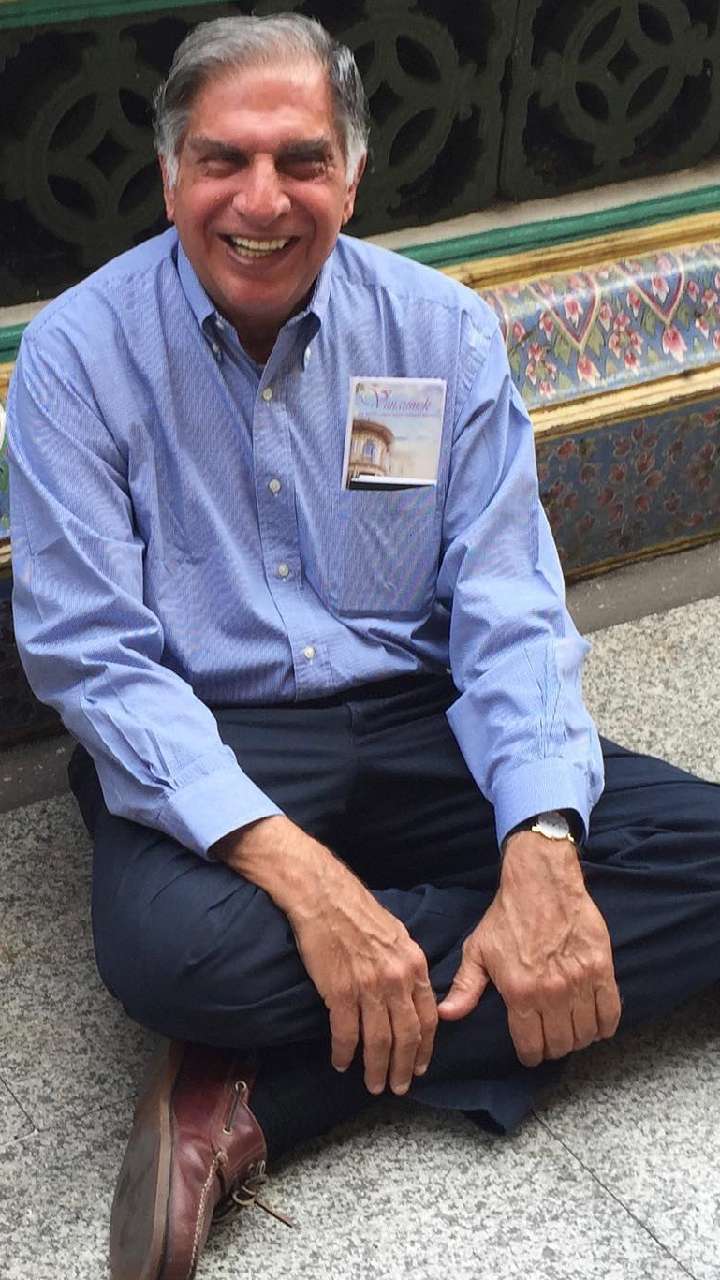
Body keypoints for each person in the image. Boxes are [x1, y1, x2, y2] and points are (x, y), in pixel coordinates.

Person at [7, 14, 720, 1280]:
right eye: (223, 160)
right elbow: (93, 656)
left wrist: (541, 850)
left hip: (416, 712)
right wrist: (307, 882)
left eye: (303, 160)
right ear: (170, 176)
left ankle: (268, 1098)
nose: (261, 200)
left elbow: (507, 600)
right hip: (218, 735)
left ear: (353, 175)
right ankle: (474, 977)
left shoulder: (443, 331)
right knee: (175, 955)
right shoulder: (77, 355)